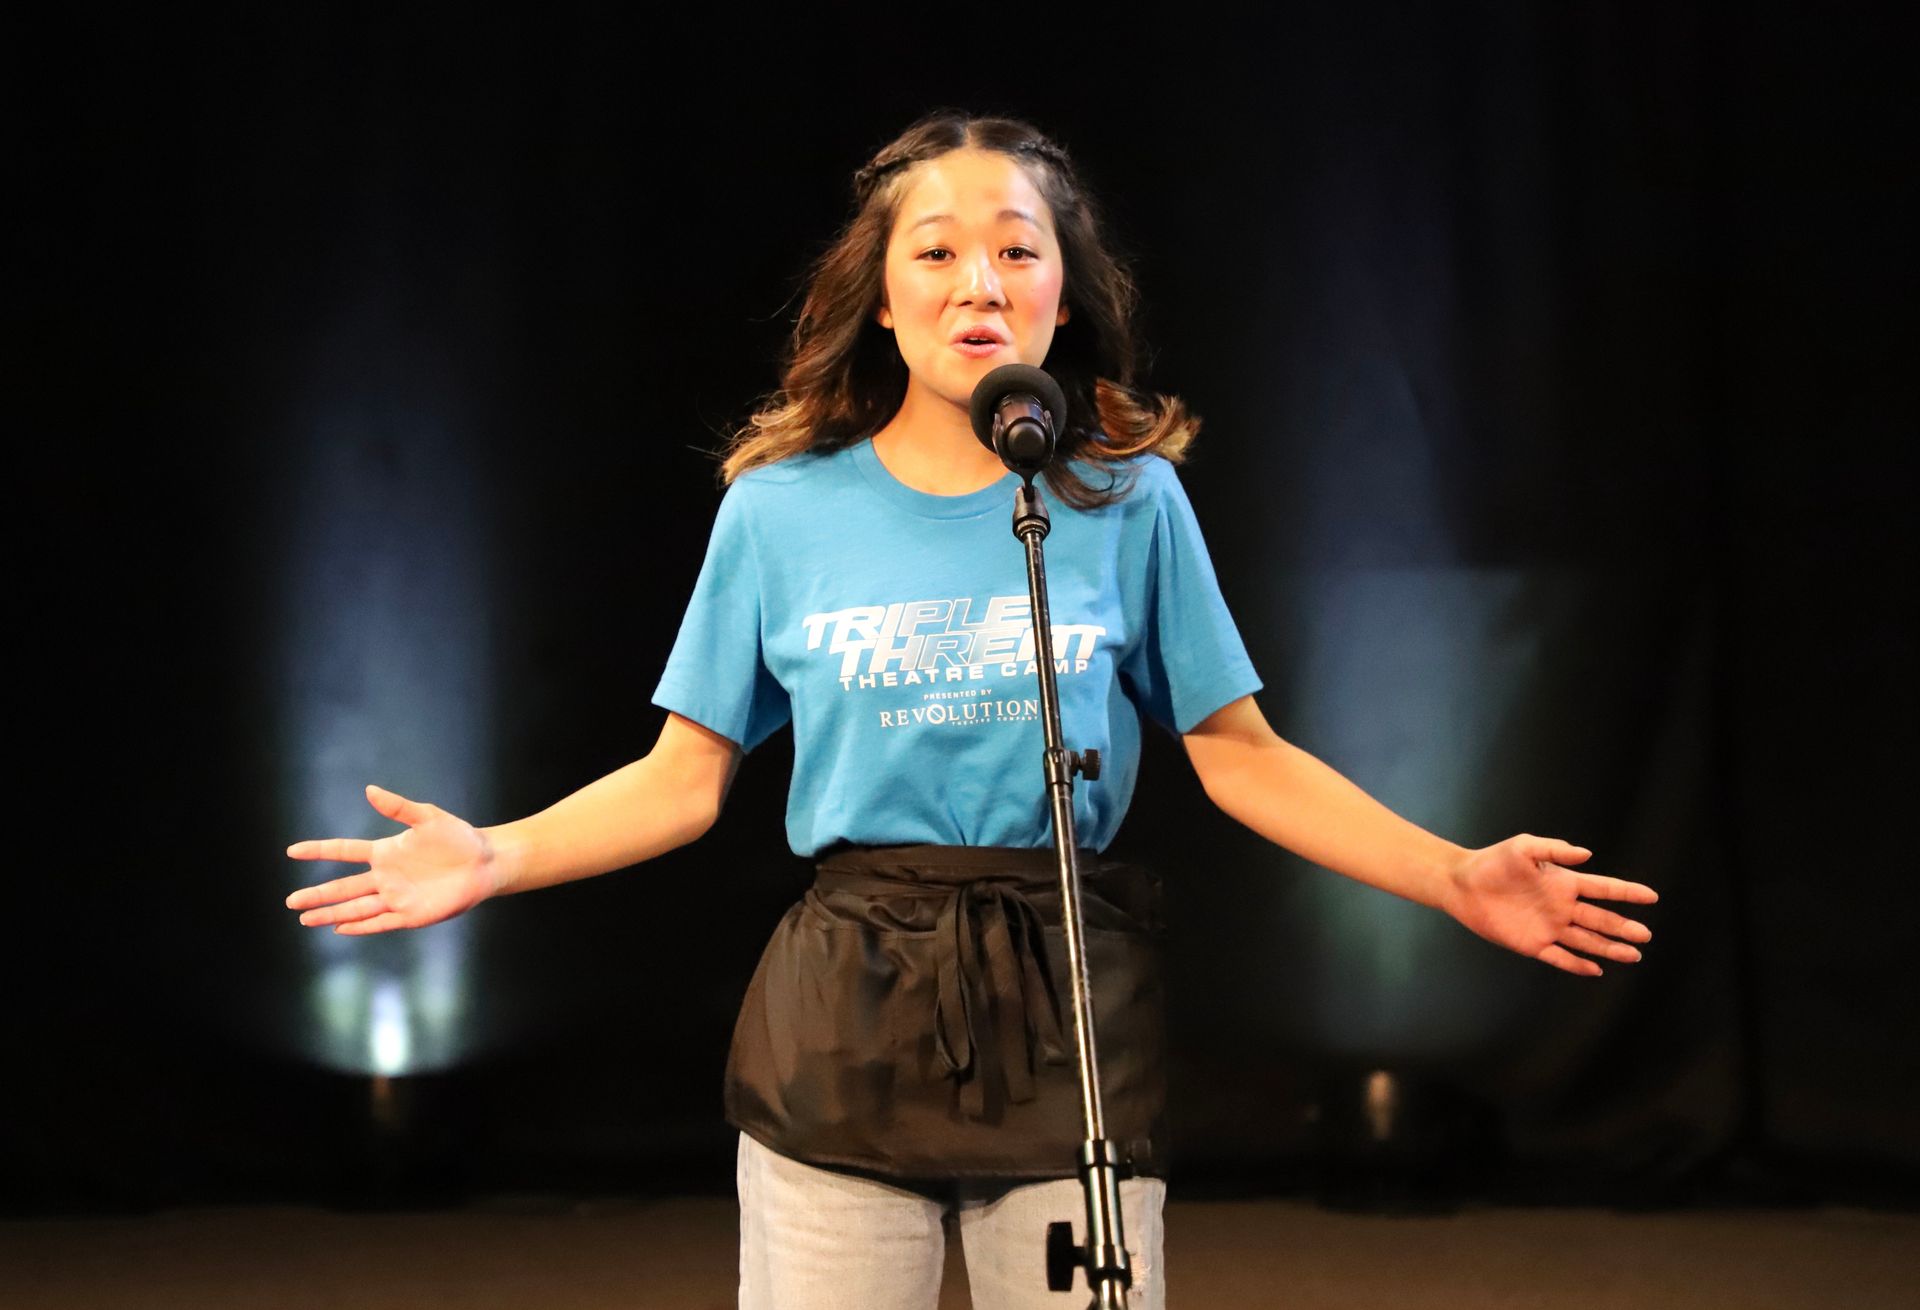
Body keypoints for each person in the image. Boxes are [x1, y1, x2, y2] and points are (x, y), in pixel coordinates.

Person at [286, 111, 1659, 1310]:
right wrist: (495, 853)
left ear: (1065, 295)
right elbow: (680, 777)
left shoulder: (1126, 503)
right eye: (934, 251)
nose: (977, 281)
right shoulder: (778, 511)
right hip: (844, 1004)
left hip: (1064, 995)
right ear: (881, 299)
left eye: (1016, 247)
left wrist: (1453, 875)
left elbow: (1242, 755)